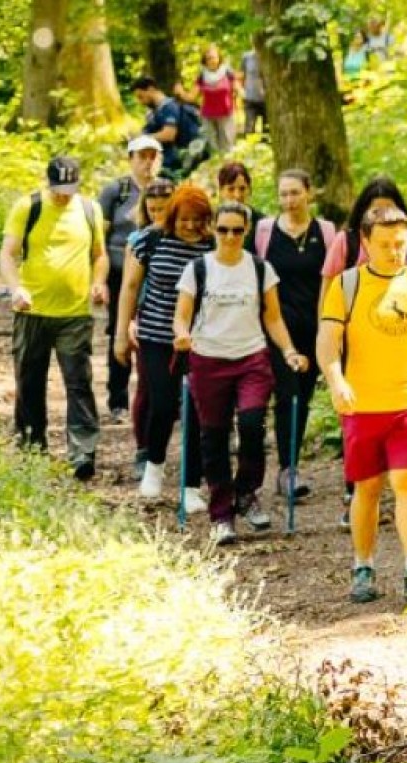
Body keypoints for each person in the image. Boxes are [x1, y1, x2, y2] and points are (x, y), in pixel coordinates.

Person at [316, 205, 407, 606]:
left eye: (401, 243)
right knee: (367, 488)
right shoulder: (347, 285)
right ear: (366, 243)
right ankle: (363, 565)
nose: (394, 251)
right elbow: (327, 342)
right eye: (386, 244)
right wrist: (336, 379)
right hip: (363, 405)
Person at [173, 202, 307, 545]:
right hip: (208, 360)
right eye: (223, 230)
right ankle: (221, 515)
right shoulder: (198, 269)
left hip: (251, 358)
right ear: (213, 230)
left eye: (237, 230)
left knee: (251, 424)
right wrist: (182, 335)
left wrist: (289, 350)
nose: (230, 237)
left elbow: (273, 317)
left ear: (246, 231)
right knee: (213, 437)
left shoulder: (260, 269)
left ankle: (246, 492)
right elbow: (182, 314)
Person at [323, 175, 407, 527]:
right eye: (375, 211)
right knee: (359, 424)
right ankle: (357, 493)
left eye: (389, 208)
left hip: (401, 341)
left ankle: (389, 500)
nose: (383, 216)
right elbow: (328, 292)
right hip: (353, 338)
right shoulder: (344, 244)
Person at [0, 156, 108, 481]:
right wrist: (15, 288)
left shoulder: (89, 209)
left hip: (74, 314)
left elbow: (99, 255)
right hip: (31, 312)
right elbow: (7, 253)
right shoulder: (27, 207)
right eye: (59, 189)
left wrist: (99, 282)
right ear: (48, 184)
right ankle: (33, 450)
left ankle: (83, 453)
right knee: (30, 382)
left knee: (78, 382)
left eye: (70, 189)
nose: (64, 195)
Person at [116, 184, 215, 513]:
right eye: (184, 219)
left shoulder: (211, 245)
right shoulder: (152, 240)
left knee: (197, 411)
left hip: (200, 339)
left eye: (196, 219)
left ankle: (191, 485)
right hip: (156, 336)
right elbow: (130, 287)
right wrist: (121, 333)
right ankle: (154, 466)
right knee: (162, 403)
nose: (189, 225)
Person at [253, 169, 338, 499]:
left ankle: (291, 463)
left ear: (309, 194)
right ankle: (287, 469)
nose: (289, 200)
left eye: (295, 193)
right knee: (288, 394)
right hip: (277, 329)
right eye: (283, 194)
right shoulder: (265, 233)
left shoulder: (326, 232)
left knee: (302, 398)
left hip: (316, 329)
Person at [98, 136, 163, 424]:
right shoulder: (116, 191)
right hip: (118, 273)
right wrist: (97, 278)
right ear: (131, 159)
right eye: (142, 156)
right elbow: (99, 237)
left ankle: (160, 397)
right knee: (120, 330)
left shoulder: (165, 189)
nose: (148, 162)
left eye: (153, 156)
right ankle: (118, 399)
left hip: (158, 273)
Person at [122, 177, 178, 479]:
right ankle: (144, 449)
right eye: (153, 209)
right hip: (148, 319)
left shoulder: (189, 238)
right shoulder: (141, 239)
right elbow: (130, 286)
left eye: (164, 209)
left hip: (182, 324)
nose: (158, 215)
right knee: (149, 388)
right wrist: (130, 322)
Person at [131, 76, 204, 179]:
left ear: (151, 89)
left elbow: (169, 134)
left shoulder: (169, 107)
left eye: (141, 97)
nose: (140, 102)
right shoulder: (154, 112)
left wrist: (143, 138)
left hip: (176, 159)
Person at [185, 45, 239, 155]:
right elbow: (192, 96)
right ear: (205, 61)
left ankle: (229, 166)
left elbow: (236, 87)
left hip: (226, 113)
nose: (212, 60)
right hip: (208, 115)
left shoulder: (227, 72)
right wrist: (181, 92)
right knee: (213, 146)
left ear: (219, 58)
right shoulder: (202, 76)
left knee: (228, 144)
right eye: (209, 58)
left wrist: (241, 94)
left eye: (214, 57)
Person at [216, 161, 265, 238]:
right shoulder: (212, 223)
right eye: (231, 189)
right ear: (221, 191)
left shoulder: (263, 225)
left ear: (249, 189)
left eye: (242, 189)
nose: (237, 195)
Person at [239, 48, 267, 137]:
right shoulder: (247, 57)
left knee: (267, 131)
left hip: (268, 100)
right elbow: (241, 75)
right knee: (249, 130)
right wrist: (241, 92)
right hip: (250, 98)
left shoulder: (271, 56)